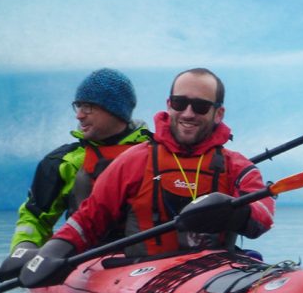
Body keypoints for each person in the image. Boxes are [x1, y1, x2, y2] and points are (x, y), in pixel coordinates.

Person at [22, 67, 275, 281]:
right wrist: (53, 251)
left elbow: (263, 215)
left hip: (212, 272)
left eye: (200, 107)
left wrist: (235, 212)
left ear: (218, 113)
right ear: (169, 105)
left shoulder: (237, 166)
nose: (188, 113)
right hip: (141, 274)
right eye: (180, 103)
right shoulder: (134, 160)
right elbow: (89, 218)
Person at [0, 68, 151, 282]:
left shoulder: (158, 155)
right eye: (78, 106)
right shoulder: (63, 162)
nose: (79, 115)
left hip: (149, 264)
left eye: (88, 107)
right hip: (85, 261)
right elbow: (34, 218)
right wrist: (25, 248)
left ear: (114, 110)